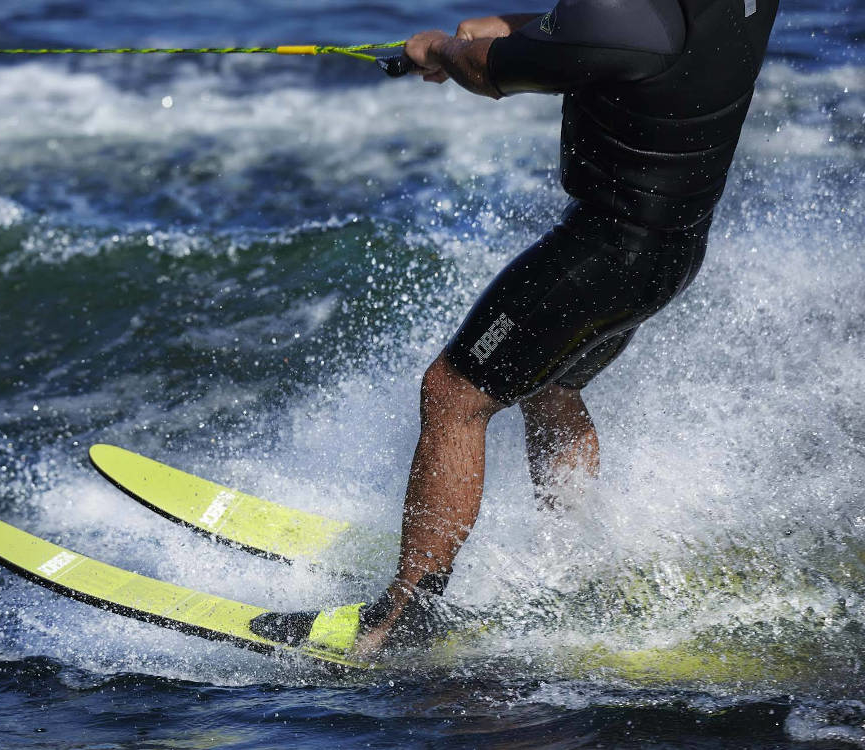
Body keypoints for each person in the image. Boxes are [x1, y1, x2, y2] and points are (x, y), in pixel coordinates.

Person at [251, 0, 779, 655]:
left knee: (453, 394)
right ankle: (573, 569)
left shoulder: (618, 19)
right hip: (673, 251)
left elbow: (489, 71)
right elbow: (599, 34)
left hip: (602, 252)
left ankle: (399, 622)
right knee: (551, 387)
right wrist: (517, 25)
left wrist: (441, 48)